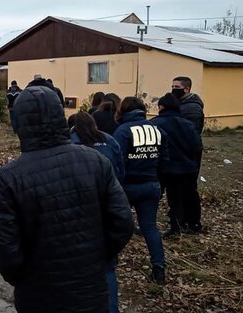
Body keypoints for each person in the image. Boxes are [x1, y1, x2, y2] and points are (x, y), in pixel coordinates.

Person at [0, 80, 134, 313]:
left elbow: (4, 246)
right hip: (91, 289)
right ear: (59, 115)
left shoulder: (9, 177)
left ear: (20, 123)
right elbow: (123, 222)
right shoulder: (96, 161)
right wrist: (97, 259)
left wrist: (23, 278)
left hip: (38, 295)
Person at [69, 111, 125, 313]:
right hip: (108, 207)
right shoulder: (109, 140)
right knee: (108, 267)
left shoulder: (70, 145)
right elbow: (120, 170)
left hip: (81, 210)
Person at [113, 96, 167, 285]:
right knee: (150, 228)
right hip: (151, 185)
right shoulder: (158, 130)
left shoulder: (123, 131)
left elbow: (118, 161)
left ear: (123, 111)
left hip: (127, 186)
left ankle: (111, 261)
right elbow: (164, 160)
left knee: (116, 224)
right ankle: (159, 269)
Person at [151, 93, 203, 237]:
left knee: (155, 197)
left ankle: (149, 225)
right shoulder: (187, 124)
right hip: (186, 168)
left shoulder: (155, 124)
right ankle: (181, 225)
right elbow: (197, 146)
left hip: (163, 168)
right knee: (180, 198)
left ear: (161, 107)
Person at [171, 76, 204, 233]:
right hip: (183, 152)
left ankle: (193, 222)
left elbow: (189, 133)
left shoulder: (191, 108)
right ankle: (182, 219)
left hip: (189, 153)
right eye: (172, 85)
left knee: (189, 188)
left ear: (186, 89)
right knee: (181, 188)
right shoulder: (183, 105)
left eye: (176, 86)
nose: (173, 89)